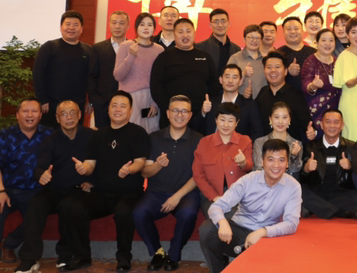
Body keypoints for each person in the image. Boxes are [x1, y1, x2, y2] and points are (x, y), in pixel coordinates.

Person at [64, 91, 151, 272]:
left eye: (123, 106)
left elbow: (140, 162)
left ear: (130, 111)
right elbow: (90, 165)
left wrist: (129, 170)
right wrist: (83, 169)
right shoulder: (98, 135)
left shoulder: (138, 133)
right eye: (114, 105)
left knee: (124, 211)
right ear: (108, 109)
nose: (118, 109)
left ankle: (124, 258)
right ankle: (82, 256)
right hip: (102, 194)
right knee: (75, 207)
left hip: (129, 193)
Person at [198, 138, 300, 273]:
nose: (276, 165)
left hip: (267, 236)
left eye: (281, 160)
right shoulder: (248, 180)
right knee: (207, 230)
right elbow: (217, 206)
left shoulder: (293, 186)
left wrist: (263, 232)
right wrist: (222, 222)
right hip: (238, 231)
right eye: (270, 159)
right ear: (262, 161)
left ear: (287, 163)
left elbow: (291, 223)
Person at [15, 101, 92, 273]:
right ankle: (29, 258)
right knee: (36, 203)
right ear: (57, 118)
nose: (69, 117)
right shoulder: (50, 141)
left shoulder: (91, 137)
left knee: (68, 205)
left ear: (80, 115)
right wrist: (41, 175)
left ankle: (65, 255)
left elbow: (102, 164)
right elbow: (40, 167)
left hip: (80, 190)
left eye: (72, 112)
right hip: (55, 189)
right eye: (64, 114)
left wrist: (92, 181)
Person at [133, 95, 202, 272]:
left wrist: (177, 197)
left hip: (185, 193)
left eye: (184, 111)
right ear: (168, 114)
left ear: (190, 115)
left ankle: (174, 254)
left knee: (188, 214)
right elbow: (145, 172)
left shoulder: (199, 140)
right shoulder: (154, 138)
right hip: (156, 193)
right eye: (176, 111)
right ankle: (158, 251)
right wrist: (157, 165)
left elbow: (198, 176)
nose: (180, 115)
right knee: (139, 213)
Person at [0, 99, 51, 265]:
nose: (30, 115)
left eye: (34, 111)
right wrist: (1, 191)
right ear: (17, 115)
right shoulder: (4, 135)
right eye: (25, 111)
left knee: (37, 215)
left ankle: (9, 245)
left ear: (40, 115)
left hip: (36, 191)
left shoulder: (50, 135)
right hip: (7, 189)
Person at [150, 18, 219, 132]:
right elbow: (155, 86)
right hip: (172, 114)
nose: (185, 35)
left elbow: (214, 84)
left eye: (188, 31)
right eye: (180, 32)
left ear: (194, 33)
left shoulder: (205, 57)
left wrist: (206, 106)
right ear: (174, 34)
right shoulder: (164, 57)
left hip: (199, 114)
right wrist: (168, 108)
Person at [33, 11, 93, 129]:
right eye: (68, 24)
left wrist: (90, 100)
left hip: (77, 104)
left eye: (76, 25)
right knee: (50, 136)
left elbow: (91, 78)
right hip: (51, 105)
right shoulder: (49, 47)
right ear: (61, 27)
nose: (71, 28)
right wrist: (42, 99)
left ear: (81, 29)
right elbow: (38, 73)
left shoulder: (88, 50)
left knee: (74, 135)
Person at [299, 109, 357, 220]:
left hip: (342, 193)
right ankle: (342, 212)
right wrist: (306, 169)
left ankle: (317, 209)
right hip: (317, 192)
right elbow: (302, 178)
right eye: (328, 122)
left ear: (342, 125)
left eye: (336, 122)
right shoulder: (310, 147)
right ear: (321, 125)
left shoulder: (352, 147)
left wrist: (351, 167)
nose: (332, 126)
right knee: (300, 192)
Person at [192, 102, 253, 216]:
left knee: (231, 216)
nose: (226, 125)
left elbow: (249, 166)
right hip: (211, 194)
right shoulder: (204, 142)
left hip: (237, 194)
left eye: (230, 121)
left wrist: (243, 163)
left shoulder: (245, 141)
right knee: (217, 215)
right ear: (216, 120)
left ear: (237, 123)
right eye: (222, 119)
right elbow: (198, 175)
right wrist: (214, 196)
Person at [113, 12, 164, 133]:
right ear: (136, 27)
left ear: (154, 28)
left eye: (149, 25)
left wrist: (155, 103)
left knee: (151, 132)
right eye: (142, 24)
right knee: (129, 133)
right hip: (130, 97)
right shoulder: (126, 46)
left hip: (151, 97)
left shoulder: (159, 50)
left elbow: (161, 79)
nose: (146, 28)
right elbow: (118, 76)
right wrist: (131, 56)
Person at [255, 52, 313, 144]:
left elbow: (306, 123)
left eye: (277, 67)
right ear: (264, 71)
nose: (273, 70)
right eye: (269, 67)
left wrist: (312, 131)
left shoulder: (296, 96)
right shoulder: (262, 93)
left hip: (290, 148)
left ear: (285, 71)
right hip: (265, 148)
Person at [202, 64, 263, 141]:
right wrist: (203, 112)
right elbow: (198, 128)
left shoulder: (249, 105)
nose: (230, 81)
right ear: (221, 80)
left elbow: (257, 132)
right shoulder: (210, 103)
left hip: (240, 147)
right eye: (227, 77)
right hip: (212, 146)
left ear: (240, 81)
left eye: (234, 77)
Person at [89, 11, 129, 127]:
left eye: (121, 23)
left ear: (128, 26)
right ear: (109, 25)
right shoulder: (98, 48)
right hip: (103, 104)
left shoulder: (134, 47)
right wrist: (94, 100)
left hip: (127, 102)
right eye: (114, 23)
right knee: (103, 135)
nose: (117, 26)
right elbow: (92, 76)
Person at [300, 28, 341, 131]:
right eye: (323, 40)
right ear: (316, 43)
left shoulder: (338, 61)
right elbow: (305, 84)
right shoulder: (310, 61)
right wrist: (313, 86)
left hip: (336, 109)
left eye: (331, 40)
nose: (328, 44)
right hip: (316, 110)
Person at [253, 102, 302, 178]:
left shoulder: (296, 144)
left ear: (289, 119)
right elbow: (259, 168)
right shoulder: (260, 142)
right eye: (276, 117)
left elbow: (294, 171)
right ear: (270, 119)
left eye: (284, 117)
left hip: (287, 183)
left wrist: (294, 156)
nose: (280, 122)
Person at [277, 16, 316, 95]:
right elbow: (271, 78)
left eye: (296, 28)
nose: (293, 31)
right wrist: (287, 72)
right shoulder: (277, 54)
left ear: (302, 31)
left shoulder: (314, 53)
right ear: (283, 32)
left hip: (311, 99)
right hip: (285, 98)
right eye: (289, 29)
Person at [196, 9, 240, 76]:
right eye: (216, 22)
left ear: (229, 24)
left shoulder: (236, 49)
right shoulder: (200, 48)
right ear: (210, 25)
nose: (220, 25)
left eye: (223, 21)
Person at [227, 24, 266, 100]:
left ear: (261, 41)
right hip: (240, 102)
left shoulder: (265, 60)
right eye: (251, 37)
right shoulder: (235, 58)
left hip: (262, 102)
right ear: (244, 39)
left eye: (257, 38)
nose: (254, 41)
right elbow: (227, 82)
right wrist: (243, 74)